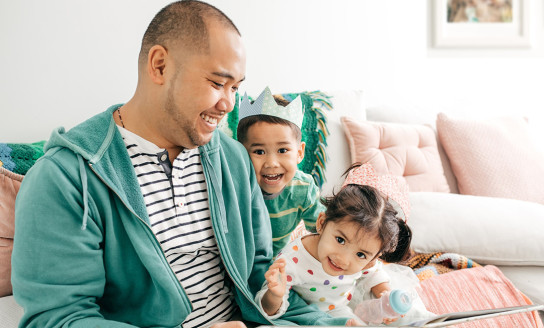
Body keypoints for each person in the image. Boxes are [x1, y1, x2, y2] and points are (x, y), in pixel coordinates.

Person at [11, 1, 349, 327]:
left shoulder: (233, 159)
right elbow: (57, 318)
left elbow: (262, 272)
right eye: (218, 83)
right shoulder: (64, 179)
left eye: (235, 88)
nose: (228, 104)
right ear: (160, 65)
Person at [256, 163, 413, 324]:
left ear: (374, 256)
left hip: (338, 310)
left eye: (360, 254)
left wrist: (385, 296)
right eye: (340, 240)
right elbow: (267, 311)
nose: (343, 259)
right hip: (303, 313)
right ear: (321, 223)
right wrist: (275, 295)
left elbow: (374, 272)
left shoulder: (367, 260)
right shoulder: (292, 260)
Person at [236, 86, 325, 256]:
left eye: (283, 150)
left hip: (279, 262)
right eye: (259, 152)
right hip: (240, 261)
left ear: (299, 153)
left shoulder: (303, 187)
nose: (271, 163)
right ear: (241, 153)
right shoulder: (236, 188)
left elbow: (323, 229)